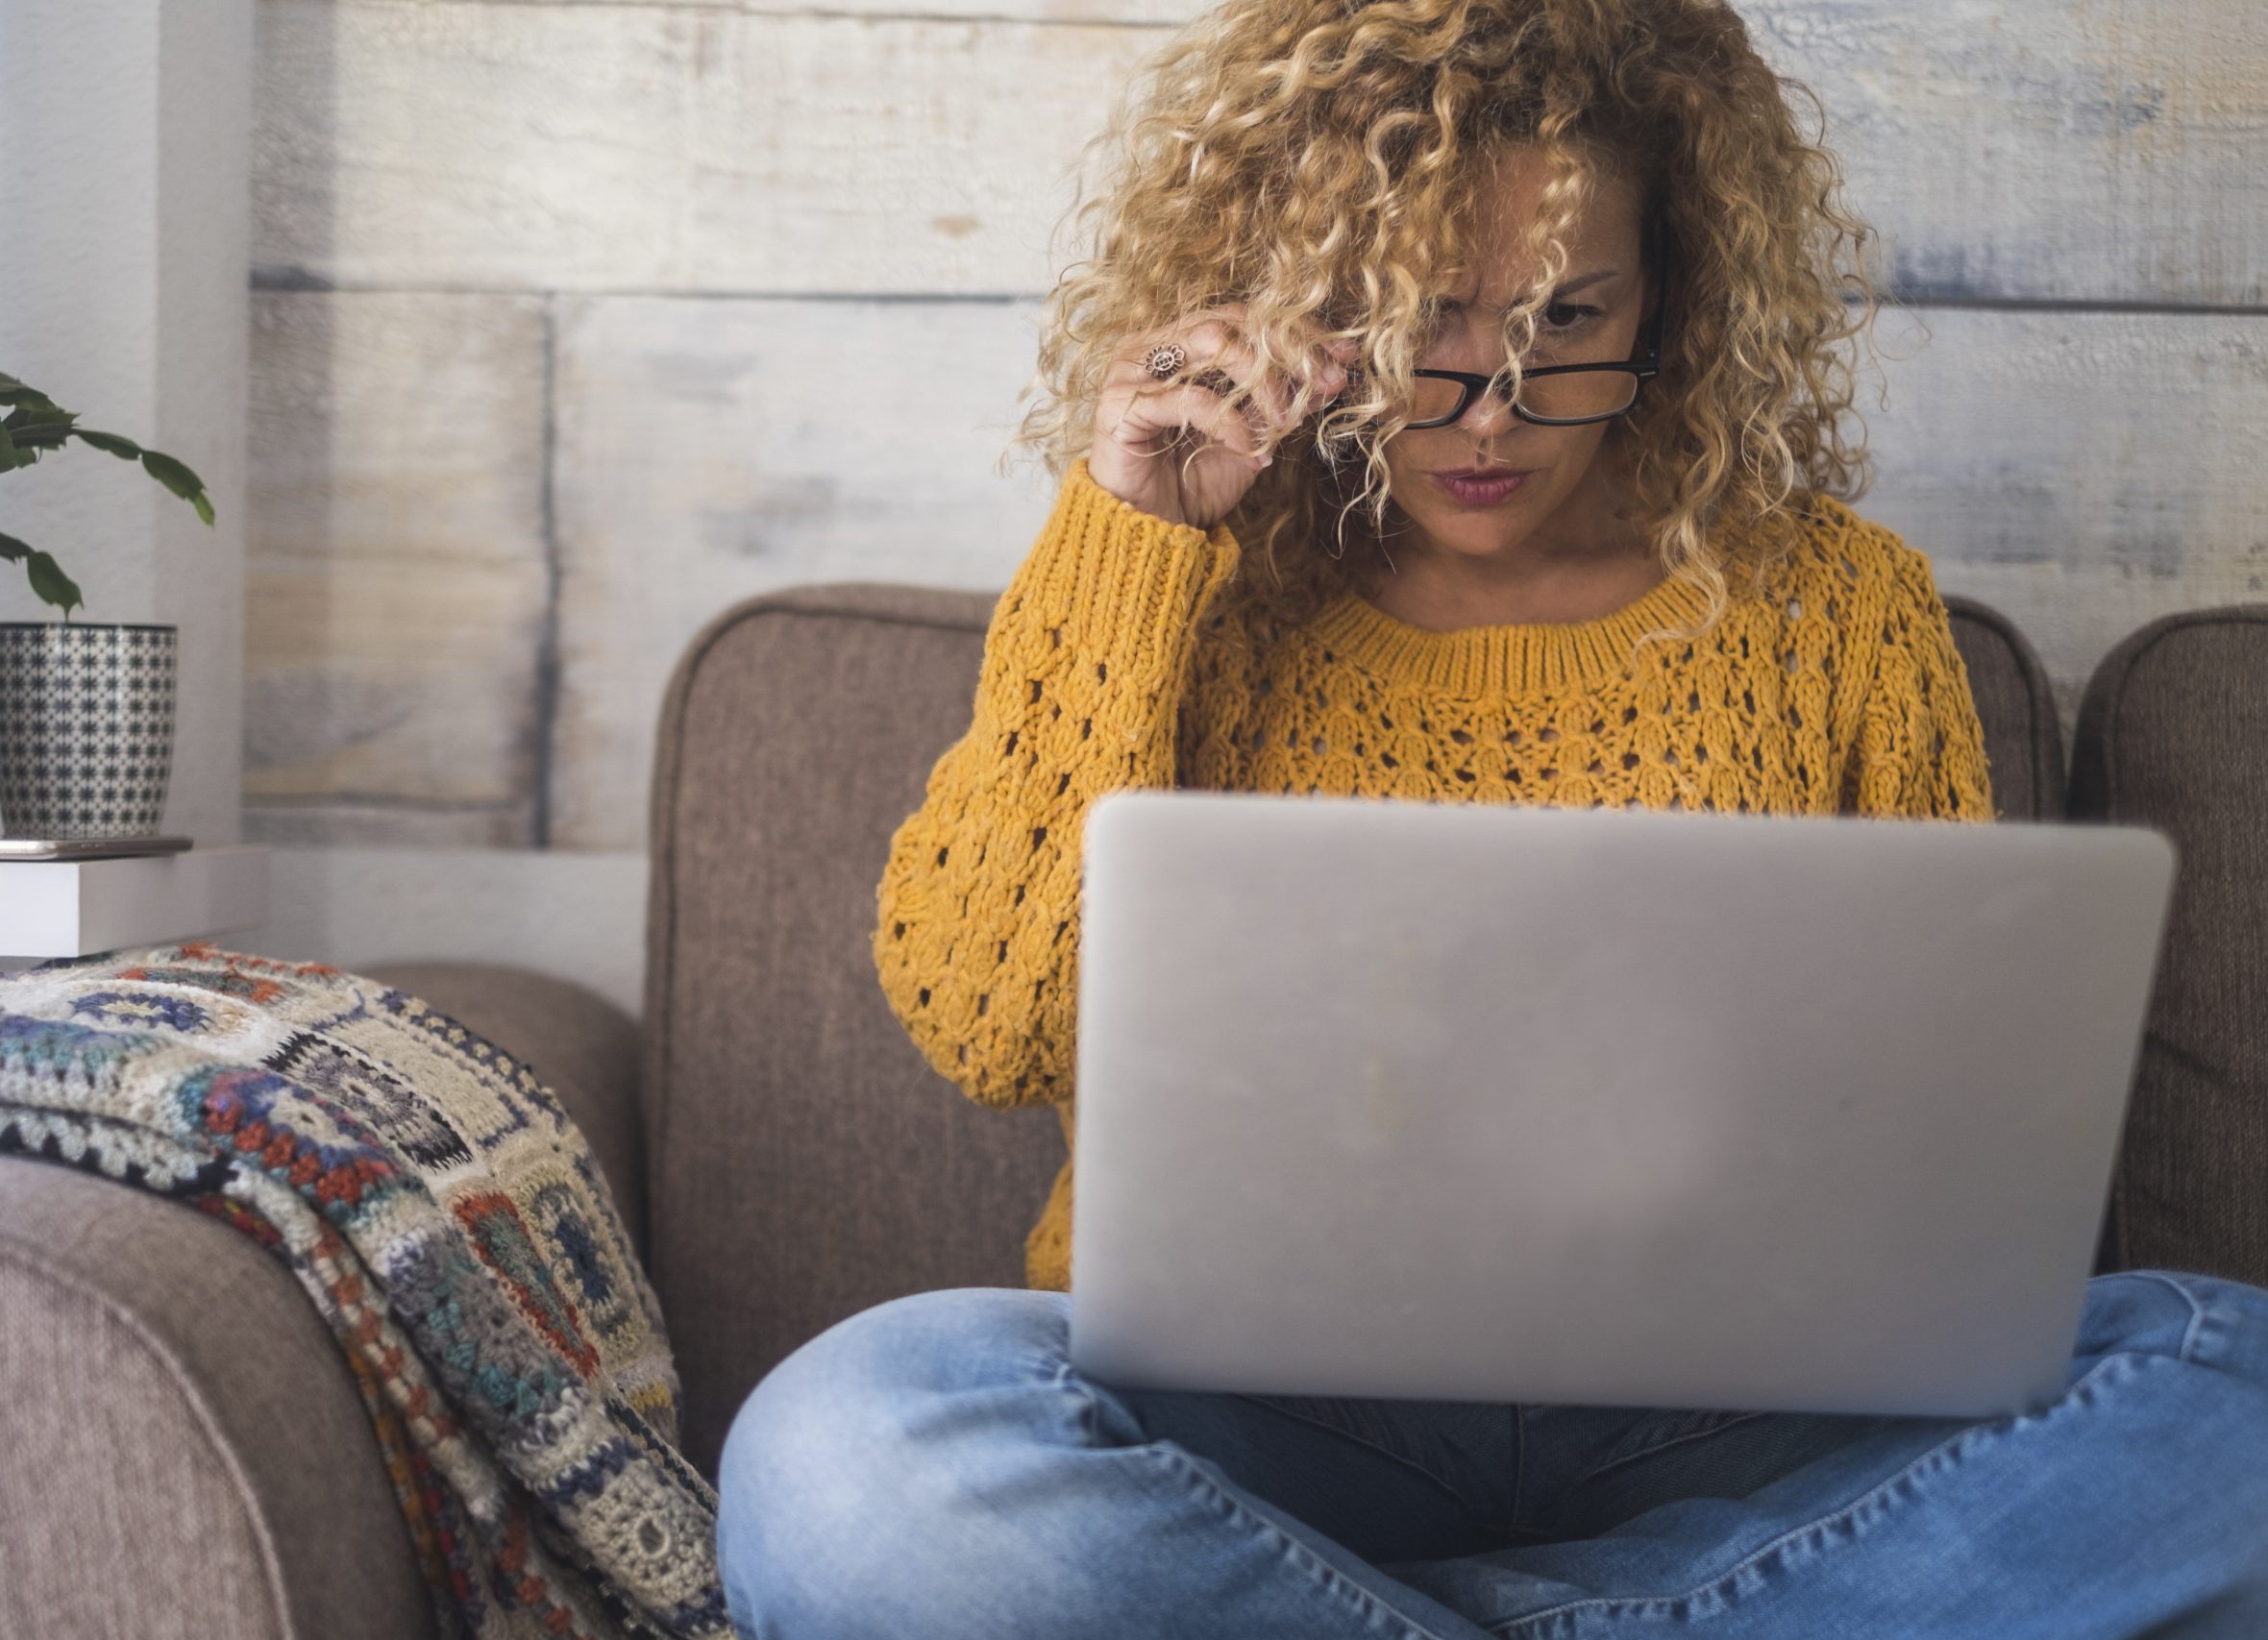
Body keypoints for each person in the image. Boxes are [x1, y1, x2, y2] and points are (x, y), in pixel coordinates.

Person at [713, 0, 2268, 1632]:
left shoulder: (1842, 612)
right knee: (847, 1450)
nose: (1489, 412)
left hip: (1736, 1432)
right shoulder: (1188, 591)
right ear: (1297, 298)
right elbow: (986, 1020)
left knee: (2229, 1386)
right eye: (1416, 322)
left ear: (1674, 291)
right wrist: (1131, 539)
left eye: (1566, 318)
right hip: (1267, 1427)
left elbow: (1946, 1153)